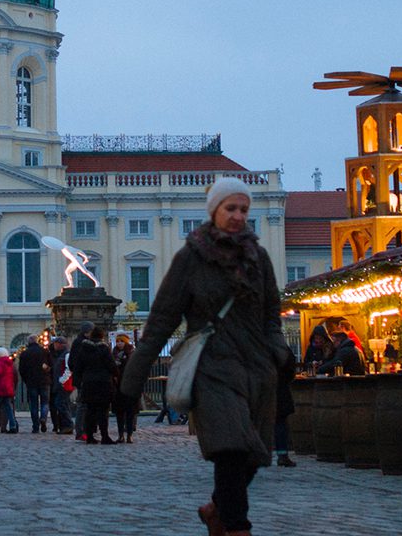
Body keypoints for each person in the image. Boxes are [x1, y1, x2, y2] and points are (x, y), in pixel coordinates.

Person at [121, 177, 292, 536]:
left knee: (253, 454)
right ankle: (236, 527)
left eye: (244, 209)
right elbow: (163, 318)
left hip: (257, 368)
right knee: (229, 448)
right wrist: (134, 376)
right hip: (212, 365)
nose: (238, 216)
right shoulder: (191, 259)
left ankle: (217, 507)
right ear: (214, 210)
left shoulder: (257, 257)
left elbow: (271, 310)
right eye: (231, 208)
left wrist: (277, 349)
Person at [70, 324, 116, 444]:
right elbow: (112, 366)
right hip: (103, 383)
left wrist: (78, 382)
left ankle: (89, 435)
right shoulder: (104, 349)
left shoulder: (84, 349)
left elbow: (78, 367)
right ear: (101, 336)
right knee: (103, 411)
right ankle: (104, 435)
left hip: (88, 383)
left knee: (90, 410)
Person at [15, 337, 50, 433]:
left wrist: (26, 380)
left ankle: (35, 426)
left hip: (31, 382)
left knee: (33, 404)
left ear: (28, 342)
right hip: (44, 381)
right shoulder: (45, 351)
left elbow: (21, 370)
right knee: (45, 403)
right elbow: (50, 365)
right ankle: (43, 418)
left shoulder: (25, 353)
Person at [111, 335, 138, 444]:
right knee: (119, 412)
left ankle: (130, 435)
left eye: (122, 341)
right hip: (117, 387)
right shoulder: (114, 354)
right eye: (117, 341)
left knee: (130, 412)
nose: (119, 343)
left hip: (130, 386)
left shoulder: (131, 353)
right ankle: (121, 434)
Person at [47, 336, 72, 434]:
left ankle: (68, 424)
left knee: (60, 404)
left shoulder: (66, 355)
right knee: (63, 404)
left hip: (64, 384)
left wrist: (62, 380)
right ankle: (65, 426)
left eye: (56, 343)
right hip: (60, 383)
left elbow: (68, 369)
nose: (54, 345)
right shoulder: (59, 355)